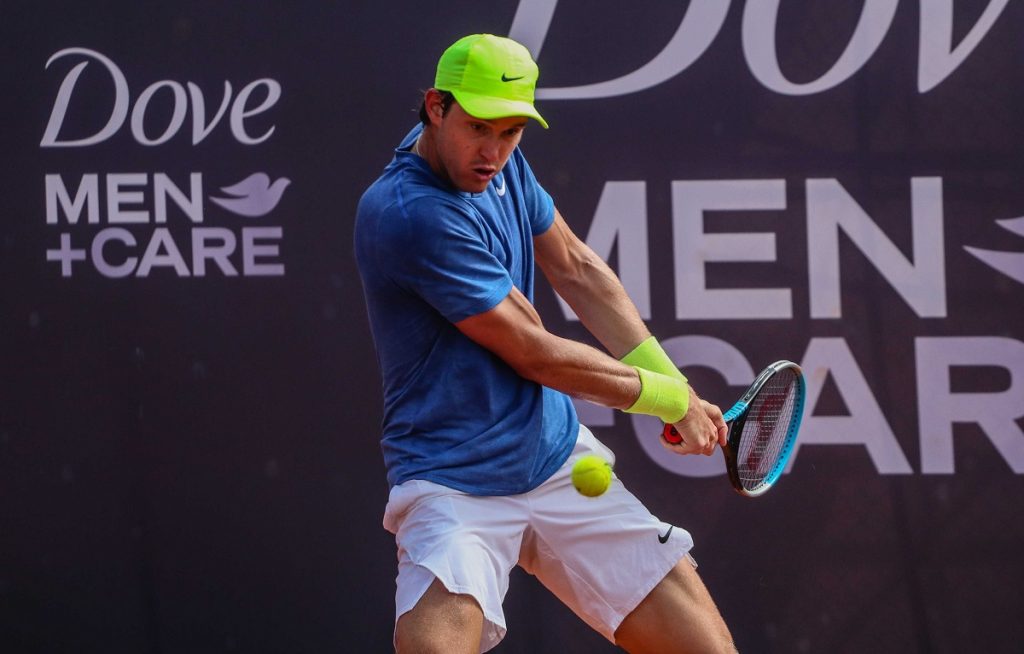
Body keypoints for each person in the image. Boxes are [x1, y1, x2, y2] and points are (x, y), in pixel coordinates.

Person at [355, 33, 737, 653]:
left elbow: (578, 269)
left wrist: (678, 388)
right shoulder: (410, 214)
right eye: (479, 128)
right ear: (435, 107)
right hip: (453, 481)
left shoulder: (498, 163)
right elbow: (533, 351)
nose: (494, 152)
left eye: (511, 133)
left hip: (556, 459)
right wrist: (669, 401)